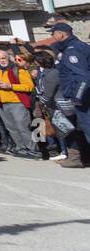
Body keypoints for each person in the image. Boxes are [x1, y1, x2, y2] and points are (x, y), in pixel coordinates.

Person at [46, 22, 90, 169]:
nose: (52, 36)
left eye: (53, 33)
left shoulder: (72, 50)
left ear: (61, 33)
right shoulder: (76, 46)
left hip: (83, 98)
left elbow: (82, 77)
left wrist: (77, 97)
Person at [0, 47, 37, 159]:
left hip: (17, 102)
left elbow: (29, 86)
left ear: (8, 58)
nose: (2, 60)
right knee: (11, 128)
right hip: (2, 104)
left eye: (4, 58)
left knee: (23, 127)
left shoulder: (18, 69)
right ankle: (21, 148)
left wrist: (10, 86)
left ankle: (33, 149)